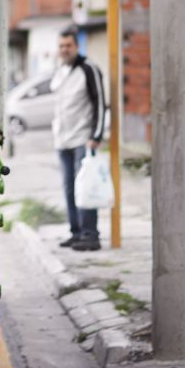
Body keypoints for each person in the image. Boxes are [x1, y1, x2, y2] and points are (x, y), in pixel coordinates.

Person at [50, 27, 107, 252]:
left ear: (77, 46)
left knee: (85, 188)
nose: (64, 50)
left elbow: (100, 103)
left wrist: (96, 136)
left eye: (68, 45)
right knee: (69, 188)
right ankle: (76, 232)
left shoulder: (89, 68)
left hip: (83, 139)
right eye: (61, 46)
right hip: (62, 141)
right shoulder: (61, 71)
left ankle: (90, 235)